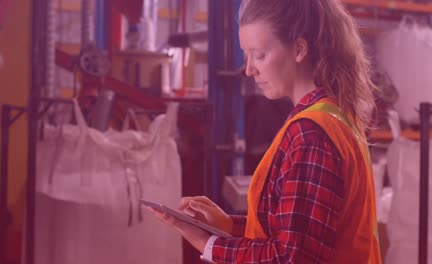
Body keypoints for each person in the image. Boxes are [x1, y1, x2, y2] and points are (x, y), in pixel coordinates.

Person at [148, 0, 382, 263]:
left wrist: (207, 243)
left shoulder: (310, 134)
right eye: (246, 56)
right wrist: (228, 226)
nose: (249, 69)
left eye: (259, 55)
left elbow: (291, 258)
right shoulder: (334, 115)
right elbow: (299, 231)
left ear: (299, 48)